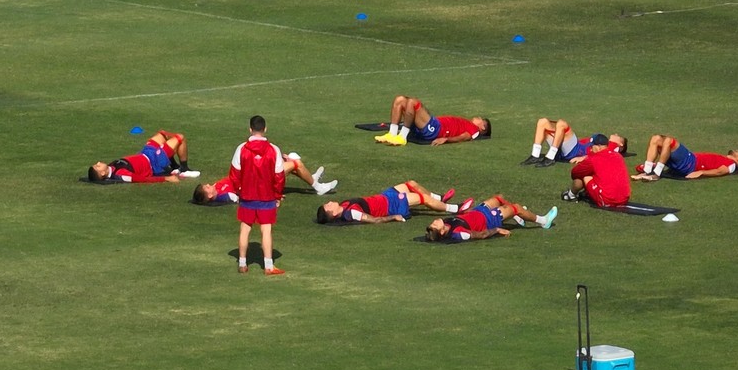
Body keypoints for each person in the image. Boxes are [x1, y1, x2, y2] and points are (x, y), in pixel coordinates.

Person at [231, 115, 286, 276]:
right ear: (265, 129)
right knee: (266, 230)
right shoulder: (273, 150)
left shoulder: (241, 149)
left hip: (247, 196)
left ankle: (242, 263)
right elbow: (279, 176)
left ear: (250, 129)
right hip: (267, 197)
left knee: (245, 229)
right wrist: (277, 195)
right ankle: (268, 266)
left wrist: (239, 192)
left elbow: (235, 174)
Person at [193, 152, 337, 205]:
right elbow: (242, 197)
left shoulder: (217, 188)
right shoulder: (223, 196)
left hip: (255, 174)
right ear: (210, 195)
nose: (208, 184)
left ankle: (312, 180)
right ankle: (318, 187)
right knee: (295, 162)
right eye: (206, 187)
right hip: (261, 181)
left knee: (286, 158)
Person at [425, 194, 557, 241]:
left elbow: (463, 218)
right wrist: (497, 230)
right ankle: (544, 221)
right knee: (516, 207)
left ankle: (517, 217)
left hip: (479, 211)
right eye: (435, 225)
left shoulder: (446, 224)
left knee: (498, 198)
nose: (435, 221)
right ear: (442, 231)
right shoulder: (458, 233)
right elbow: (480, 235)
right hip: (489, 220)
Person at [316, 182, 460, 224]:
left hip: (385, 196)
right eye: (328, 206)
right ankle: (455, 209)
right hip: (392, 205)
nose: (329, 202)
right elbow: (375, 220)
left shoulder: (344, 205)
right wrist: (394, 217)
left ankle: (440, 199)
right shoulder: (351, 213)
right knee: (423, 199)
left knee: (411, 183)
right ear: (333, 213)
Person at [373, 96, 491, 146]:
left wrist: (446, 139)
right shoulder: (468, 123)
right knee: (400, 99)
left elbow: (465, 137)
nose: (478, 117)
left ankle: (402, 137)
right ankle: (392, 134)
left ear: (483, 127)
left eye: (481, 119)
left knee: (413, 102)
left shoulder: (474, 130)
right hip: (433, 124)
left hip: (436, 129)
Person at [86, 130, 194, 184]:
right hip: (154, 162)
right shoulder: (120, 174)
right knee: (180, 138)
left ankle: (174, 166)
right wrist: (166, 178)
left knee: (162, 134)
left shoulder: (111, 167)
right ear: (103, 173)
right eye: (97, 166)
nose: (99, 162)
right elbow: (142, 179)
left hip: (146, 153)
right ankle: (184, 169)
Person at [524, 118, 628, 166]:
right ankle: (535, 156)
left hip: (574, 150)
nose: (616, 134)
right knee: (543, 122)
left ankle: (550, 157)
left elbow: (603, 156)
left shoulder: (614, 148)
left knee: (562, 124)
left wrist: (583, 158)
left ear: (621, 144)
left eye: (618, 136)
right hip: (567, 148)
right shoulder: (606, 144)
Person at [635, 136, 738, 180]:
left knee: (668, 140)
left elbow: (720, 172)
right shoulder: (724, 159)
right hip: (687, 160)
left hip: (690, 163)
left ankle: (656, 173)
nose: (737, 151)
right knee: (656, 138)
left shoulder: (732, 165)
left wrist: (701, 172)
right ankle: (647, 171)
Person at [563, 140, 632, 208]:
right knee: (602, 175)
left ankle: (571, 195)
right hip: (624, 198)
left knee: (585, 176)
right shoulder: (618, 156)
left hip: (607, 200)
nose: (590, 148)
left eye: (592, 146)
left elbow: (575, 173)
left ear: (598, 146)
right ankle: (587, 193)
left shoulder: (594, 158)